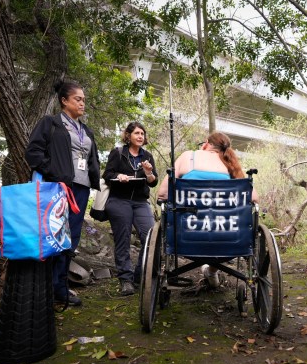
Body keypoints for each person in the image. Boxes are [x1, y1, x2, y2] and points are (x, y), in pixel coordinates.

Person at [25, 80, 101, 306]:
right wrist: (55, 174)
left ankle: (60, 287)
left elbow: (89, 160)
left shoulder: (86, 130)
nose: (82, 103)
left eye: (84, 100)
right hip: (57, 188)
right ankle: (43, 288)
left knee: (71, 238)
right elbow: (33, 154)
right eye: (78, 99)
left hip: (81, 189)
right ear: (64, 101)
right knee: (52, 235)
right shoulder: (51, 123)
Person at [157, 131, 259, 288]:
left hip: (186, 236)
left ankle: (208, 273)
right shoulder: (230, 164)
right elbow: (254, 199)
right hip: (227, 237)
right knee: (219, 226)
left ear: (206, 144)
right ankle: (212, 272)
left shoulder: (188, 156)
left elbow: (163, 194)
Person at [103, 122, 158, 296]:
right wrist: (117, 176)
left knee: (150, 237)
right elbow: (107, 175)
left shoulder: (147, 156)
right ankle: (125, 280)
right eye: (136, 133)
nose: (140, 136)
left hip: (141, 202)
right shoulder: (118, 153)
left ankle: (139, 274)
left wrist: (148, 172)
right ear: (128, 136)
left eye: (142, 133)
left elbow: (153, 181)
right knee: (123, 239)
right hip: (120, 200)